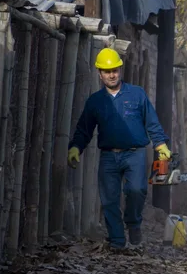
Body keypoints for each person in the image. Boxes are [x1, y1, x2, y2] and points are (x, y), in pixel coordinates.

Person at [68, 48, 171, 252]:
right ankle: (117, 241)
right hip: (108, 156)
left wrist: (161, 144)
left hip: (135, 153)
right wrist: (75, 148)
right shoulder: (95, 101)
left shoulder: (137, 94)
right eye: (107, 71)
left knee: (137, 190)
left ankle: (133, 223)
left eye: (114, 70)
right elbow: (84, 129)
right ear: (100, 73)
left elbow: (152, 122)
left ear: (120, 69)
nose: (112, 74)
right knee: (109, 199)